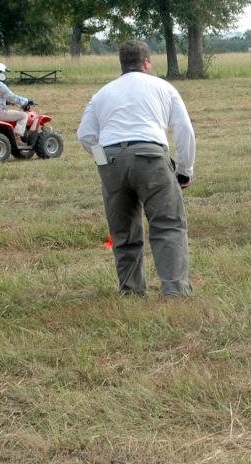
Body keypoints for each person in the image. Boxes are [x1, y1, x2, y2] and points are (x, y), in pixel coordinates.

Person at [77, 40, 196, 298]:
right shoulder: (164, 87)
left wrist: (103, 161)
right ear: (147, 63)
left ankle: (131, 291)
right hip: (150, 156)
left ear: (121, 64)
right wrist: (184, 170)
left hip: (111, 161)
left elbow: (85, 135)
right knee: (167, 225)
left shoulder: (102, 93)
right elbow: (185, 130)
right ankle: (175, 290)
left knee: (123, 230)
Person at [0, 62, 32, 143]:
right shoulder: (0, 85)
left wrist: (7, 102)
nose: (5, 74)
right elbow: (13, 97)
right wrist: (26, 101)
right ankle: (17, 137)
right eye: (4, 73)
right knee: (24, 115)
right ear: (0, 74)